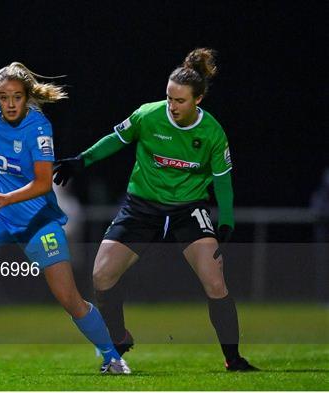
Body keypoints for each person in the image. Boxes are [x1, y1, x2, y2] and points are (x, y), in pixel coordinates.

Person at [54, 48, 258, 372]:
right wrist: (82, 161)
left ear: (198, 100)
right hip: (141, 206)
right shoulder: (149, 115)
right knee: (101, 275)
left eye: (180, 101)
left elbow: (223, 182)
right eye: (168, 98)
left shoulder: (212, 134)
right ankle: (119, 337)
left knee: (215, 281)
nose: (171, 106)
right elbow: (115, 139)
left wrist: (228, 220)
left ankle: (233, 358)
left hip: (188, 209)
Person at [0, 62, 130, 374]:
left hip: (36, 219)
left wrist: (8, 196)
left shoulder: (38, 127)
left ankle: (112, 357)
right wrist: (1, 194)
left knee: (69, 298)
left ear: (27, 96)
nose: (9, 104)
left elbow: (44, 184)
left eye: (17, 97)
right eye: (4, 97)